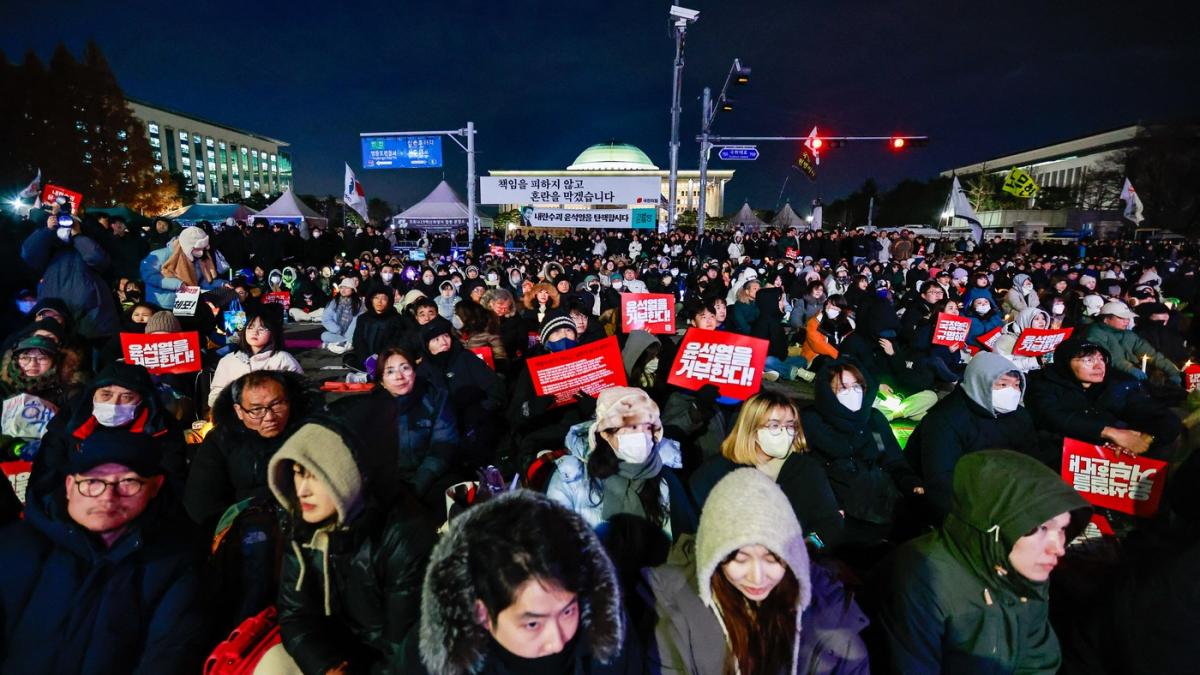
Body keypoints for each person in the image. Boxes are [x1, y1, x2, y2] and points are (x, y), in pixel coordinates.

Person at [0, 429, 208, 674]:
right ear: (69, 486)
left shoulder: (177, 563)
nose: (108, 497)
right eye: (92, 482)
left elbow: (169, 656)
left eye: (128, 482)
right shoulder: (15, 547)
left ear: (155, 487)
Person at [875, 450, 1091, 675]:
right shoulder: (923, 576)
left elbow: (1037, 663)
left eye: (1063, 529)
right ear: (994, 527)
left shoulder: (1023, 570)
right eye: (1040, 528)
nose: (1058, 548)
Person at [644, 468, 870, 675]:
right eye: (739, 559)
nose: (757, 576)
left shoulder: (831, 612)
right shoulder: (678, 615)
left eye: (773, 559)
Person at [269, 419, 437, 674]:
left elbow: (406, 649)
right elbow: (295, 616)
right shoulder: (303, 525)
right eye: (297, 473)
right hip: (340, 654)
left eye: (315, 477)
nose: (302, 491)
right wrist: (325, 667)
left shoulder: (404, 536)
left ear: (345, 478)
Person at [416, 489, 641, 674]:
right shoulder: (428, 664)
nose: (557, 642)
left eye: (568, 611)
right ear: (482, 614)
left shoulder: (608, 638)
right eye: (533, 624)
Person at [546, 386, 696, 577]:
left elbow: (678, 545)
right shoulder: (572, 477)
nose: (641, 435)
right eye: (630, 427)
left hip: (652, 590)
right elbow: (555, 546)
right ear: (605, 433)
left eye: (647, 426)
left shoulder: (664, 477)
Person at [690, 390, 845, 550]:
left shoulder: (807, 469)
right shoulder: (716, 472)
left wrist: (808, 546)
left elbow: (831, 523)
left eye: (790, 426)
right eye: (774, 425)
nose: (785, 433)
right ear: (752, 429)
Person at [801, 360, 924, 544]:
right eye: (843, 388)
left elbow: (893, 460)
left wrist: (911, 483)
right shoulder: (812, 423)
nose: (853, 392)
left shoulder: (873, 420)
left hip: (882, 506)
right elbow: (806, 475)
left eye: (857, 386)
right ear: (828, 392)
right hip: (837, 514)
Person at [908, 352, 1040, 522]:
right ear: (980, 383)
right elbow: (942, 482)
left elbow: (1030, 460)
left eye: (1016, 385)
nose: (1013, 392)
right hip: (962, 501)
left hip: (999, 492)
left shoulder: (1018, 416)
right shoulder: (945, 420)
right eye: (1002, 384)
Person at [184, 370, 311, 529]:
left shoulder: (310, 431)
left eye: (277, 404)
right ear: (239, 411)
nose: (269, 417)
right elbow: (202, 504)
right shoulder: (221, 440)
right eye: (257, 410)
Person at [333, 346, 459, 505]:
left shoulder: (435, 397)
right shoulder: (371, 408)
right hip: (389, 481)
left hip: (430, 476)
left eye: (405, 368)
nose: (399, 376)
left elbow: (443, 445)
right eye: (390, 372)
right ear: (382, 381)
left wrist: (417, 486)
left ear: (414, 371)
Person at [1024, 339, 1180, 463]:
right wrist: (1109, 432)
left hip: (1113, 454)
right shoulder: (1044, 384)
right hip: (1063, 455)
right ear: (1065, 363)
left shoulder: (1117, 383)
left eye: (1101, 359)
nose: (1099, 366)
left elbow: (1157, 414)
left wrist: (1145, 439)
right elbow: (1052, 416)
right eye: (1088, 360)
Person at [417, 316, 506, 465]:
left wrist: (485, 408)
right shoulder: (423, 371)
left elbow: (494, 387)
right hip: (445, 430)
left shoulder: (466, 358)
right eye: (436, 340)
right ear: (427, 346)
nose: (443, 342)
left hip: (478, 423)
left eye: (445, 336)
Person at [20, 206, 120, 339]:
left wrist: (78, 235)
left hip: (91, 316)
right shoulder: (50, 243)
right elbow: (29, 255)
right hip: (53, 311)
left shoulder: (92, 237)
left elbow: (98, 260)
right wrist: (48, 230)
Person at [207, 303, 303, 407]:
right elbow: (214, 397)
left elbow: (301, 393)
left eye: (262, 328)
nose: (255, 332)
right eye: (250, 327)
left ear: (272, 332)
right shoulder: (228, 361)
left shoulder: (283, 359)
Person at [1086, 300, 1182, 387]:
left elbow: (1151, 354)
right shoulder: (1095, 334)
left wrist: (1172, 371)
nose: (1126, 321)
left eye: (1127, 318)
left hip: (1133, 376)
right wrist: (1129, 369)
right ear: (1106, 319)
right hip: (1112, 381)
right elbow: (1109, 357)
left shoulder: (1129, 335)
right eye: (1122, 318)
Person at [141, 225, 229, 310]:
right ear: (188, 246)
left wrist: (221, 284)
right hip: (160, 305)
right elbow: (149, 275)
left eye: (203, 248)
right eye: (198, 248)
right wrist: (177, 284)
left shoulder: (195, 258)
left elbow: (201, 281)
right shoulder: (159, 255)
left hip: (186, 306)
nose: (202, 252)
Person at [351, 284, 406, 370]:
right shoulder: (363, 318)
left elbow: (395, 342)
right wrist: (366, 359)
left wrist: (379, 357)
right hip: (365, 359)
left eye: (384, 298)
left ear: (389, 301)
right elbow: (358, 340)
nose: (379, 302)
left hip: (386, 359)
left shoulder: (396, 319)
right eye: (376, 298)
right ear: (371, 300)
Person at [321, 277, 363, 354]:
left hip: (351, 334)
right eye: (341, 287)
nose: (343, 290)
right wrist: (337, 330)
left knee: (357, 336)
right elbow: (326, 319)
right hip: (337, 332)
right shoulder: (334, 302)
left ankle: (339, 343)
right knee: (324, 335)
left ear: (352, 290)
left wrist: (349, 337)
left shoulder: (358, 304)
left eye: (347, 288)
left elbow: (356, 323)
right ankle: (346, 343)